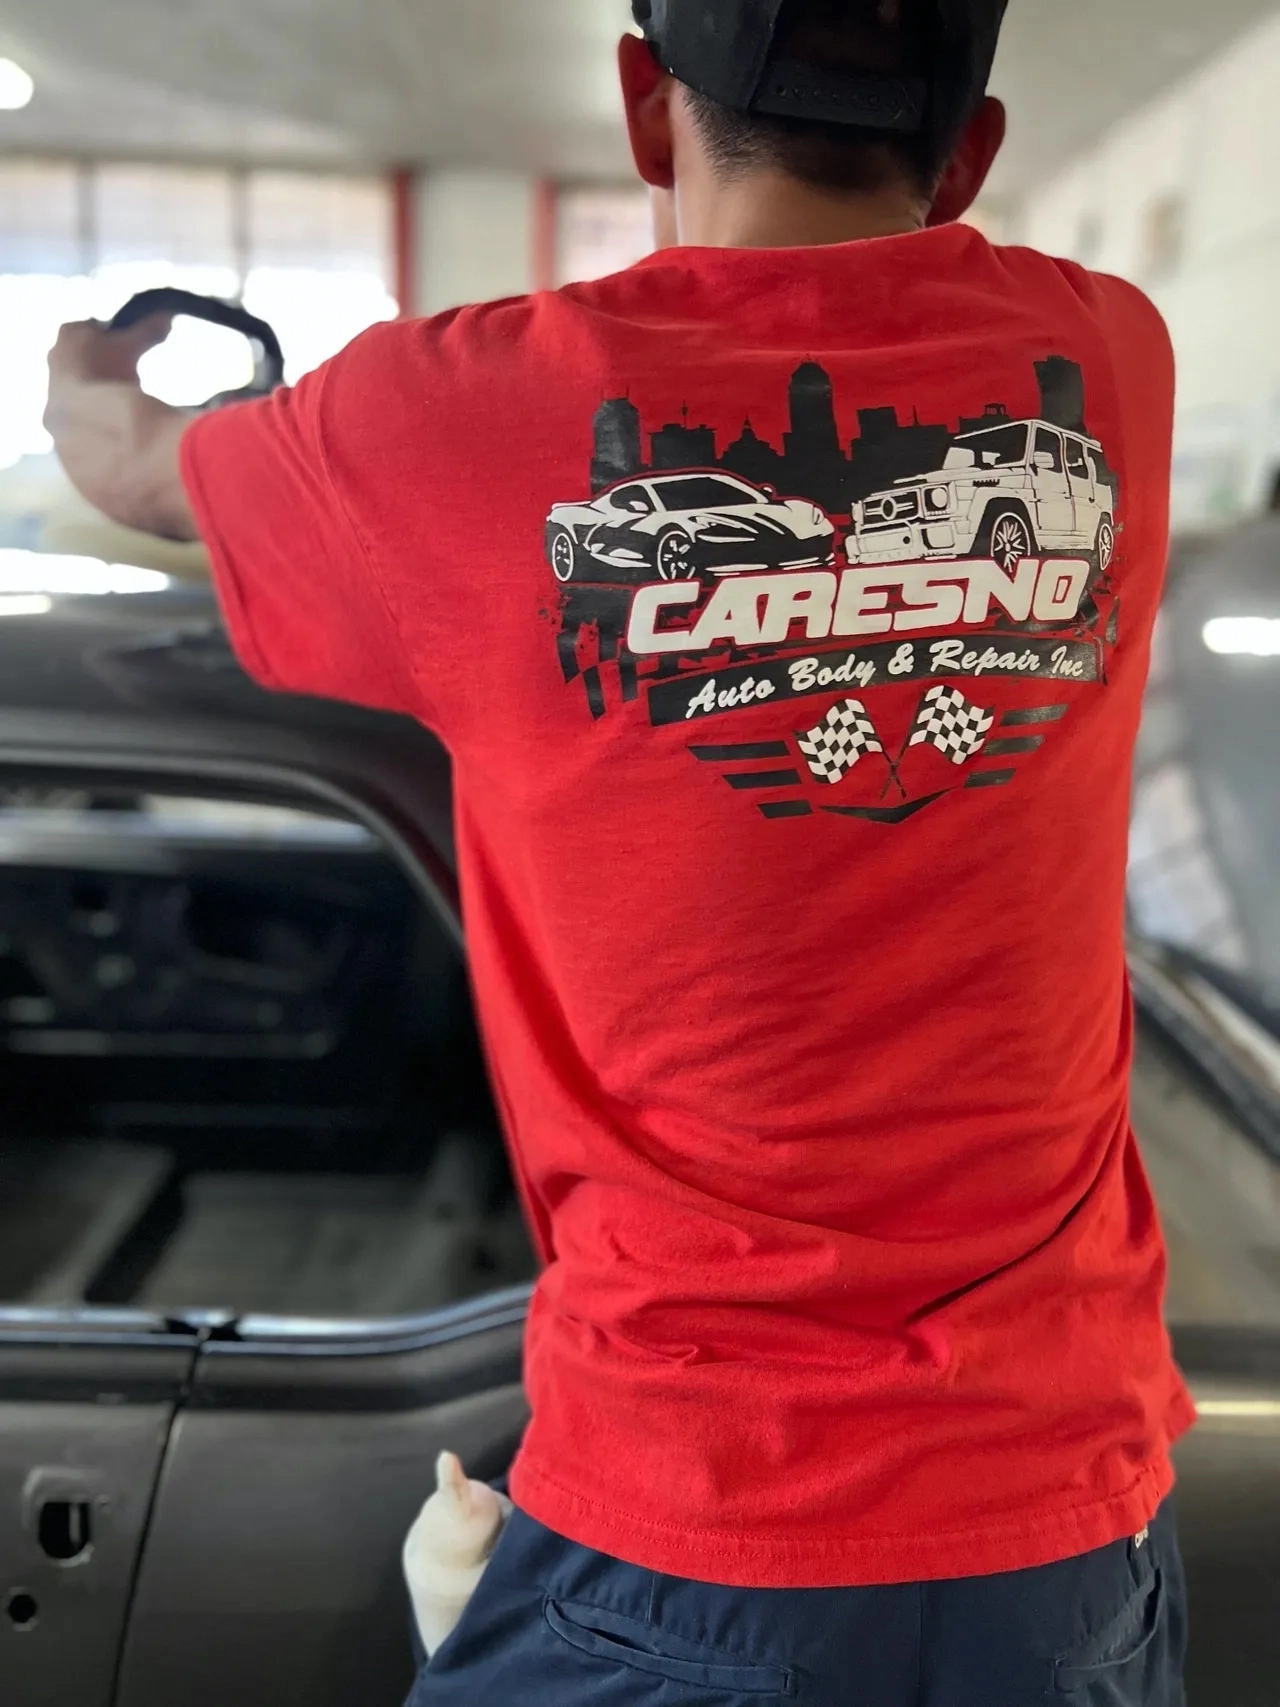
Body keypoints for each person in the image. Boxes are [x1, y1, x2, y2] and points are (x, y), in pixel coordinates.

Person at [45, 2, 1196, 1701]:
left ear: (647, 106)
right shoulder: (1112, 367)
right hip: (1070, 1538)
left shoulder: (446, 421)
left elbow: (127, 469)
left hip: (691, 1530)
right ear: (972, 152)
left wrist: (88, 361)